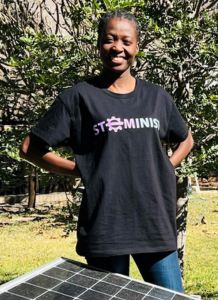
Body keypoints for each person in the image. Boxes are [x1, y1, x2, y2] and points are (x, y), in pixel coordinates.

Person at [18, 10, 194, 292]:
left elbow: (186, 138)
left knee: (172, 297)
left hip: (155, 223)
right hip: (107, 225)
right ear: (99, 44)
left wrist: (166, 166)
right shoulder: (78, 98)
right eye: (110, 39)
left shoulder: (157, 97)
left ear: (137, 47)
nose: (118, 47)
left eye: (126, 41)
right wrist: (81, 170)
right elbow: (30, 148)